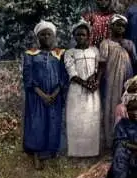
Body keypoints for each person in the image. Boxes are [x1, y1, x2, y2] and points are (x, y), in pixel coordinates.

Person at [22, 20, 68, 169]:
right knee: (37, 123)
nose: (46, 37)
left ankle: (50, 152)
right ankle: (36, 153)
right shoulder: (30, 54)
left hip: (55, 96)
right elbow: (28, 77)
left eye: (49, 34)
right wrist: (42, 95)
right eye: (43, 34)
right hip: (36, 97)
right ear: (38, 37)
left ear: (54, 36)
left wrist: (55, 93)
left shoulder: (60, 54)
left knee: (54, 122)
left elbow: (63, 76)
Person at [99, 14, 137, 149]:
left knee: (126, 104)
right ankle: (111, 140)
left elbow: (135, 61)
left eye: (123, 26)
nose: (120, 28)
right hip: (111, 79)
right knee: (112, 105)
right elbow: (102, 64)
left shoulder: (129, 43)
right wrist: (99, 80)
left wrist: (129, 50)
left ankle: (127, 139)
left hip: (127, 77)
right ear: (112, 26)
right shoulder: (106, 43)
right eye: (118, 25)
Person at [64, 20, 101, 157]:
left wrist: (95, 80)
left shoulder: (94, 50)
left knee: (91, 117)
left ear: (88, 36)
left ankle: (91, 151)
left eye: (83, 35)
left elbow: (98, 68)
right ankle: (76, 151)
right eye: (78, 35)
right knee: (77, 119)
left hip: (93, 90)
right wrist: (85, 84)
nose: (81, 37)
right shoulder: (70, 53)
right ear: (74, 36)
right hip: (76, 90)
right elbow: (71, 72)